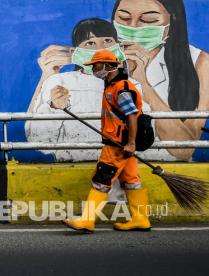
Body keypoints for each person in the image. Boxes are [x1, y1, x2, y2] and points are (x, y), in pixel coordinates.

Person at [61, 49, 151, 233]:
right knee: (132, 180)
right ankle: (140, 219)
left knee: (101, 180)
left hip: (118, 145)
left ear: (108, 66)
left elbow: (132, 115)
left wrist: (131, 143)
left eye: (96, 66)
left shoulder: (121, 88)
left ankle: (87, 220)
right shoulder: (111, 86)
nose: (94, 69)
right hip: (122, 144)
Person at [111, 0, 209, 161]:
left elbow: (184, 150)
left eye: (148, 20)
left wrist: (143, 84)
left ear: (173, 20)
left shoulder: (200, 62)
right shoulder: (99, 60)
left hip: (169, 168)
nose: (133, 28)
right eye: (124, 18)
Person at [26, 18, 126, 162]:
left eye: (107, 41)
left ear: (119, 48)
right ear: (75, 52)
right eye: (90, 43)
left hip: (117, 166)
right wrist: (54, 108)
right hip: (70, 167)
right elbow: (38, 140)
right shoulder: (58, 81)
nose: (101, 48)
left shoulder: (130, 85)